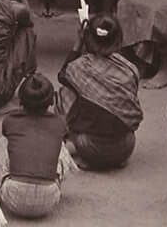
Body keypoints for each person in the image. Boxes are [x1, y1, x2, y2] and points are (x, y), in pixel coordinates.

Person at [57, 14, 143, 170]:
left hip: (87, 146)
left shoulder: (79, 67)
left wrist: (78, 44)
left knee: (64, 92)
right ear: (119, 41)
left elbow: (63, 75)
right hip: (126, 146)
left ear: (87, 39)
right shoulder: (130, 69)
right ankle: (114, 160)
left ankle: (83, 156)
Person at [0, 74, 75, 219]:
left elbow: (10, 140)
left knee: (3, 142)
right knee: (60, 146)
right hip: (49, 199)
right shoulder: (59, 123)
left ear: (21, 100)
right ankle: (50, 180)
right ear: (51, 100)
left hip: (12, 197)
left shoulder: (10, 120)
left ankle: (1, 168)